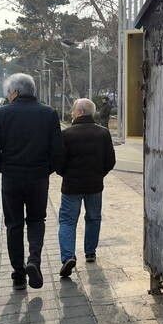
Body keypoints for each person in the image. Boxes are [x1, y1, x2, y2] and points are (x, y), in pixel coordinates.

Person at [0, 73, 64, 290]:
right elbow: (57, 149)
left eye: (9, 93)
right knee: (37, 220)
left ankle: (19, 275)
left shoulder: (1, 114)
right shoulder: (48, 113)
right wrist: (47, 169)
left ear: (16, 92)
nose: (8, 97)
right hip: (38, 178)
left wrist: (2, 166)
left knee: (14, 225)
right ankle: (34, 261)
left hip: (12, 178)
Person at [56, 98, 116, 274]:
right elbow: (110, 161)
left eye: (73, 110)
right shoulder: (103, 133)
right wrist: (99, 174)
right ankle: (90, 252)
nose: (72, 113)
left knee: (67, 221)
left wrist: (65, 174)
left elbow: (58, 162)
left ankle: (68, 257)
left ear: (80, 112)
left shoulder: (66, 134)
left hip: (71, 186)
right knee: (93, 218)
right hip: (94, 185)